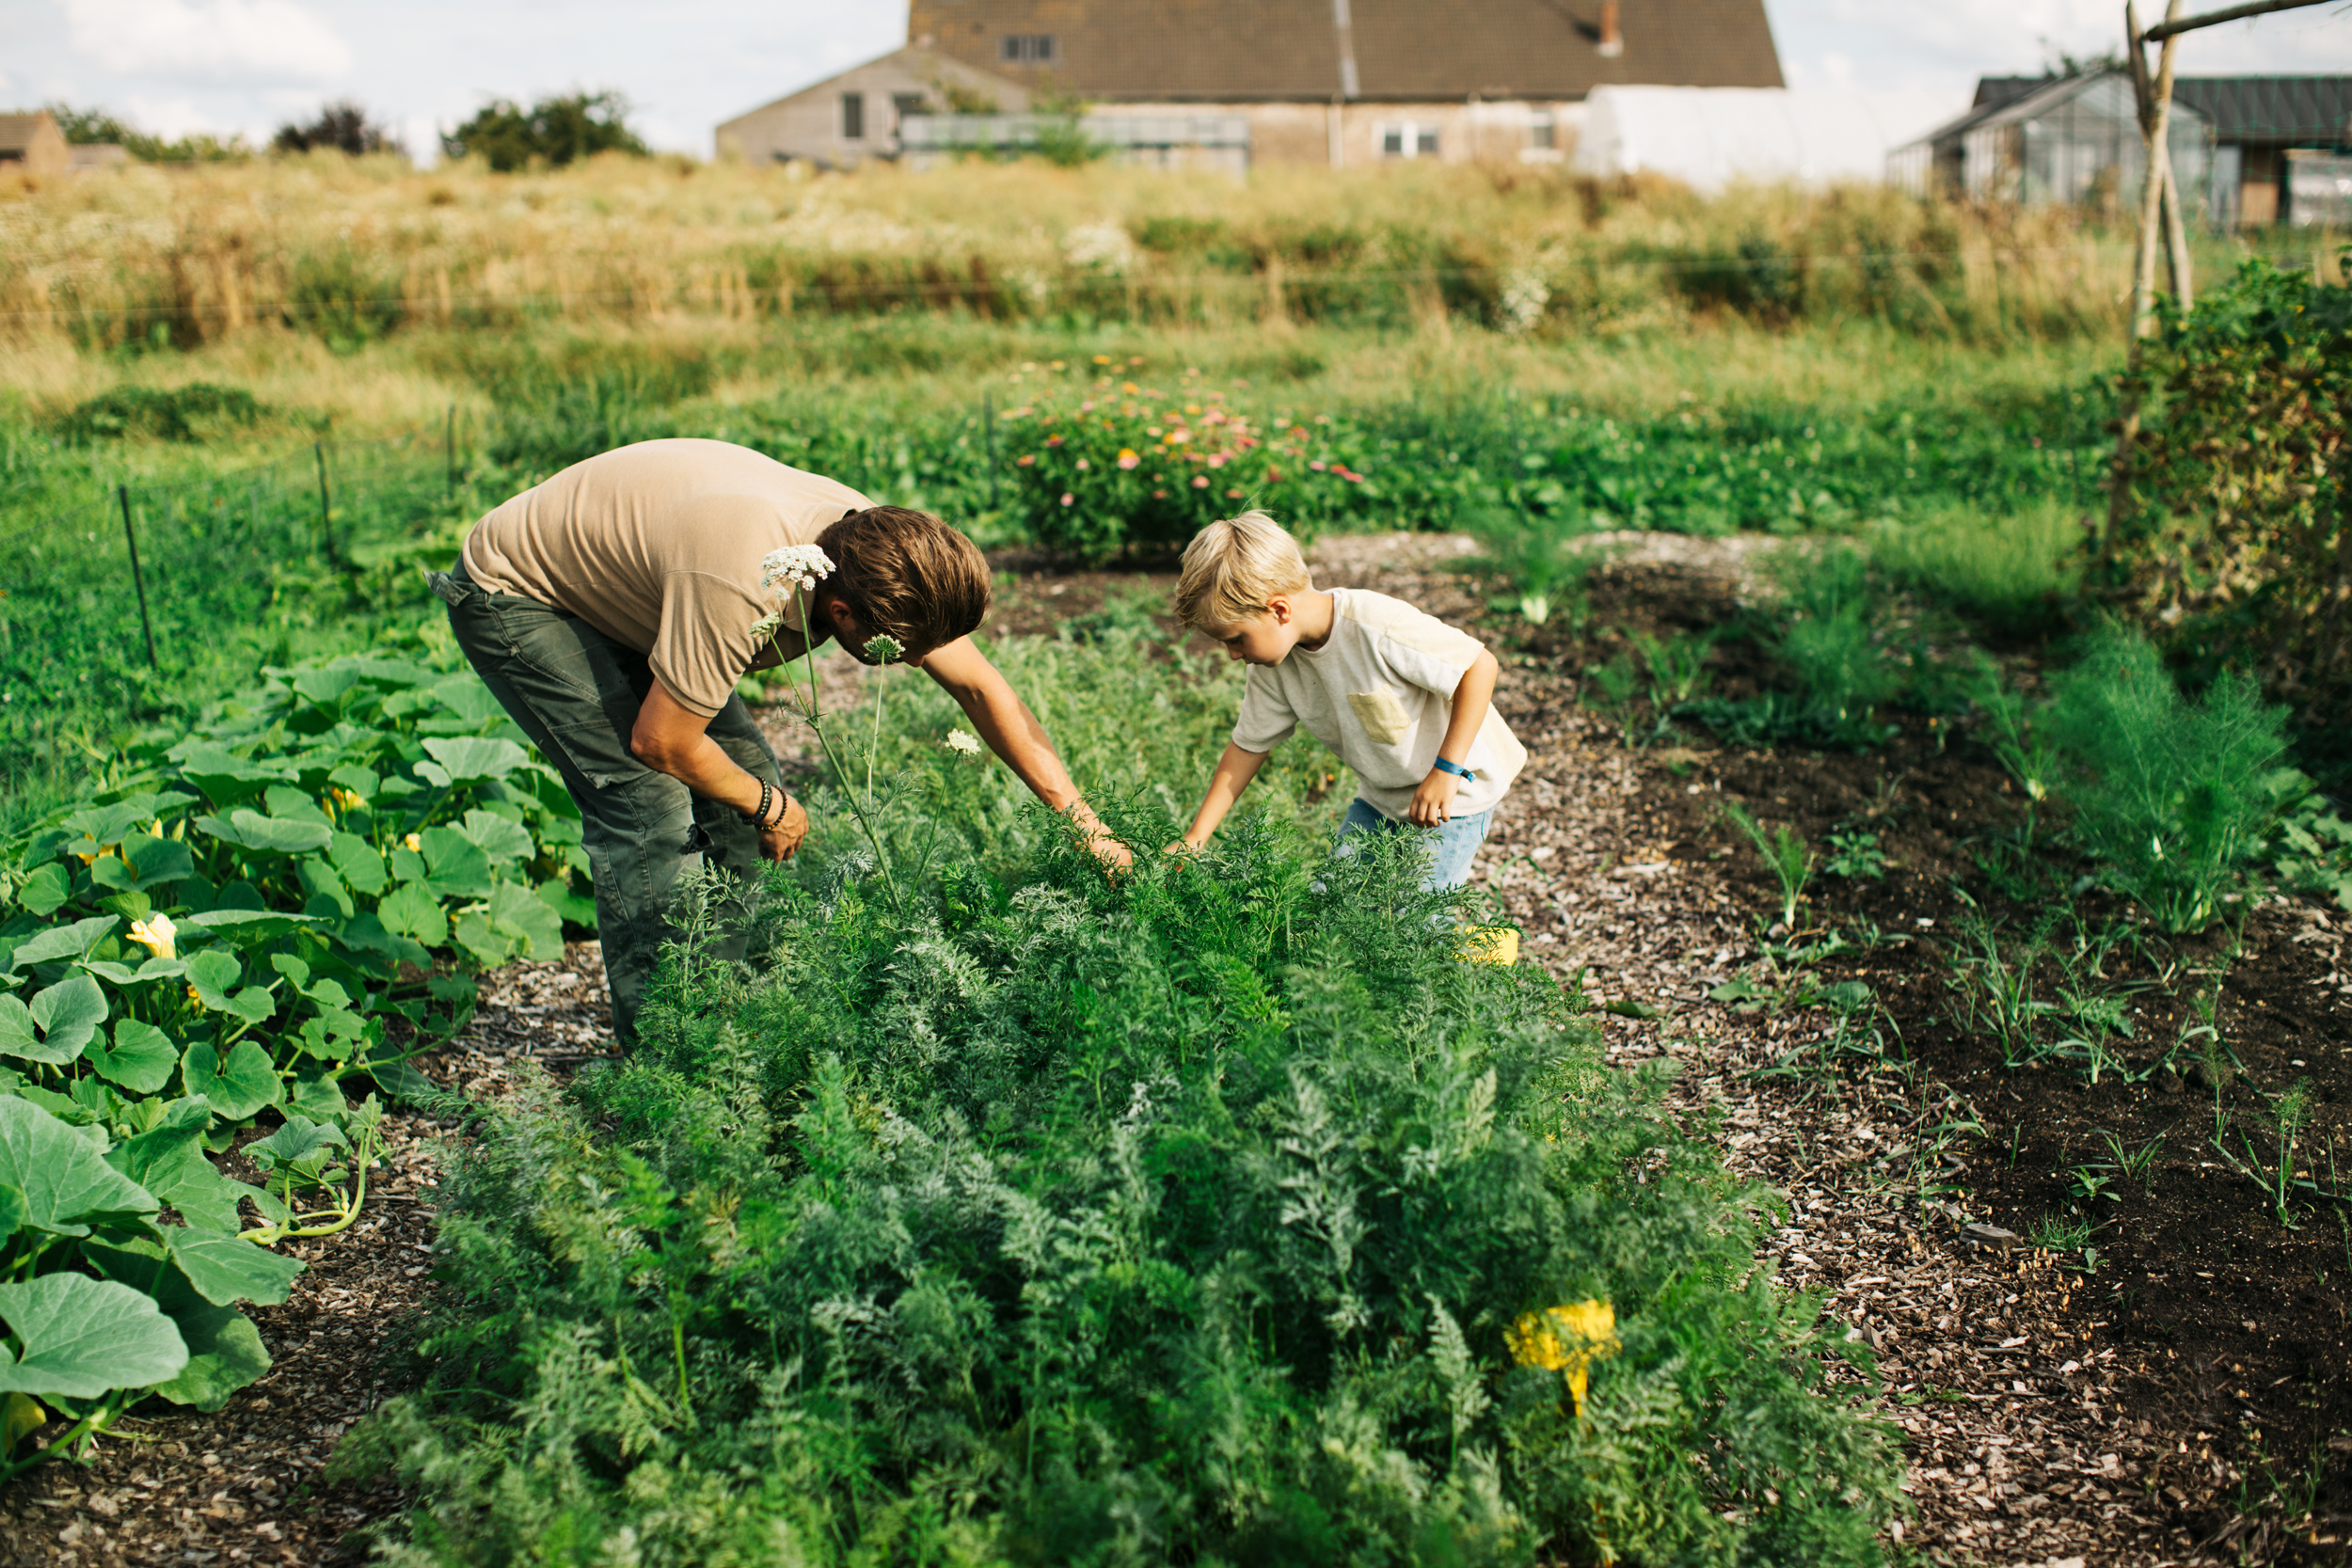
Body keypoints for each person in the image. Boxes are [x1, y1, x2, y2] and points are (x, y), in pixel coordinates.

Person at [430, 437, 1131, 1048]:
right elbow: (660, 741)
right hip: (522, 594)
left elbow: (984, 691)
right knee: (650, 811)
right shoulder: (744, 585)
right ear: (842, 614)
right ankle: (667, 1054)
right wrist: (771, 806)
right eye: (904, 652)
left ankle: (725, 1002)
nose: (918, 664)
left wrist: (1085, 824)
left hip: (631, 577)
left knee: (744, 781)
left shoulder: (874, 548)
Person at [1169, 510, 1525, 888]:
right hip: (1380, 800)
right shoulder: (1272, 666)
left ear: (1279, 610)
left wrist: (1446, 771)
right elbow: (1247, 746)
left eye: (1236, 638)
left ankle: (1488, 948)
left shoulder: (1374, 624)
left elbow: (1479, 666)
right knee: (1330, 906)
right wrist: (1194, 840)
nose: (1233, 654)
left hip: (1453, 798)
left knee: (1415, 924)